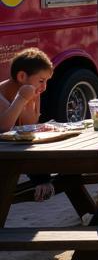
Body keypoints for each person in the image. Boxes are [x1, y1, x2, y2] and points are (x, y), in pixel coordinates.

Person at [0, 48, 56, 201]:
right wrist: (21, 99)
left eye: (47, 81)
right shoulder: (5, 95)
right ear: (22, 76)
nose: (44, 87)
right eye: (41, 81)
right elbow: (4, 127)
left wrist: (39, 128)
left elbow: (28, 129)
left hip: (14, 153)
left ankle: (42, 179)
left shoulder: (34, 93)